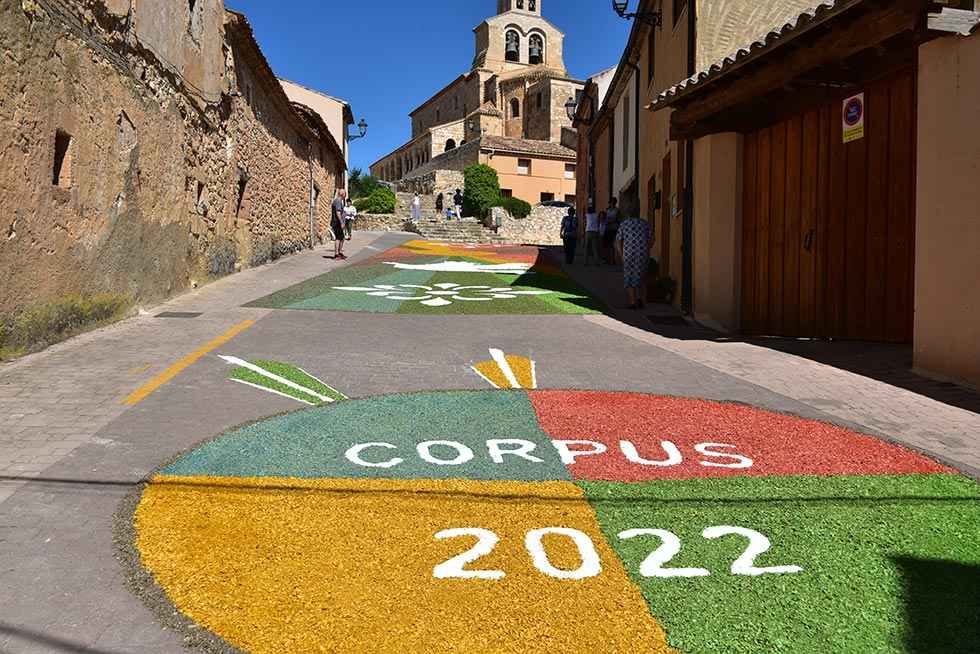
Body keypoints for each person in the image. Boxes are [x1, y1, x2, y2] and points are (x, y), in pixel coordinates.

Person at [614, 198, 652, 309]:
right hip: (642, 253)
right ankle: (641, 300)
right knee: (642, 277)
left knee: (629, 278)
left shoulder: (624, 224)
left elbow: (618, 240)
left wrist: (621, 254)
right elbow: (652, 239)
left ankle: (632, 302)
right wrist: (647, 248)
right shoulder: (645, 224)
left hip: (628, 253)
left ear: (627, 213)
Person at [331, 189, 348, 260]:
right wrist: (341, 222)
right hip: (337, 222)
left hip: (337, 222)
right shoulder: (338, 201)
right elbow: (338, 213)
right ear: (342, 194)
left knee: (342, 238)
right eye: (345, 193)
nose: (346, 195)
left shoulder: (338, 201)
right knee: (338, 238)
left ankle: (339, 252)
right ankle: (336, 254)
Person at [603, 198, 620, 264]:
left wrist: (610, 220)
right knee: (607, 245)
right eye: (610, 202)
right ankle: (607, 259)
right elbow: (605, 218)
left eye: (613, 203)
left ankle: (612, 260)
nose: (611, 204)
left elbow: (616, 219)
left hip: (614, 228)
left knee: (612, 245)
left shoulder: (617, 210)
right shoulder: (607, 210)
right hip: (607, 228)